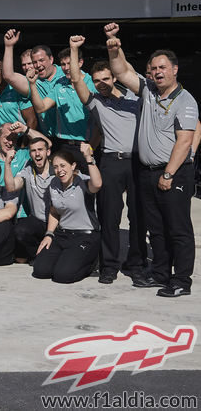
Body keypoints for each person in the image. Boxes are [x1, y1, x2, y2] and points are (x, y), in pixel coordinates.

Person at [106, 23, 197, 298]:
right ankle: (160, 273)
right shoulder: (147, 90)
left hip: (174, 174)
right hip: (146, 173)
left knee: (178, 229)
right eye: (154, 68)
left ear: (175, 69)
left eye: (162, 68)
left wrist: (168, 175)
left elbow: (185, 141)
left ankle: (181, 280)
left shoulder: (186, 101)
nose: (157, 72)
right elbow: (121, 71)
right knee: (156, 229)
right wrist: (114, 46)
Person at [67, 34, 143, 285]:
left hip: (136, 162)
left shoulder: (136, 99)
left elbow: (129, 71)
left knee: (138, 216)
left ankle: (136, 264)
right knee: (109, 216)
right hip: (111, 161)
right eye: (96, 80)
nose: (100, 84)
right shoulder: (95, 102)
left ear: (114, 78)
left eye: (105, 79)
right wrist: (74, 49)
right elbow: (77, 79)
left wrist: (115, 46)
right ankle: (109, 265)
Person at [32, 146, 102, 284]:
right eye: (56, 167)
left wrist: (89, 158)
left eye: (63, 165)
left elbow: (98, 184)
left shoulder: (83, 181)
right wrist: (49, 234)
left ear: (73, 165)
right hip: (63, 234)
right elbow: (54, 211)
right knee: (40, 271)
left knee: (63, 276)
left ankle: (92, 263)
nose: (59, 170)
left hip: (84, 236)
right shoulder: (54, 183)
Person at [6, 135, 55, 264]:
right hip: (38, 221)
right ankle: (37, 255)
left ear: (47, 152)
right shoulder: (28, 170)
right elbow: (11, 187)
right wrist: (7, 164)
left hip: (58, 223)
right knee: (20, 231)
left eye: (40, 150)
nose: (37, 154)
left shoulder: (57, 170)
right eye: (33, 151)